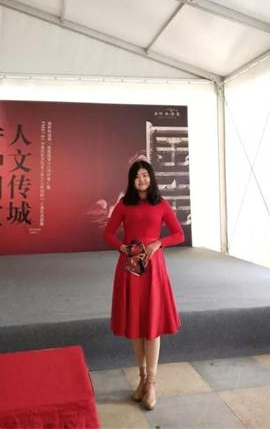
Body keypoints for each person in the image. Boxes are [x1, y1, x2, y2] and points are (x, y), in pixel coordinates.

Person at [103, 160, 185, 410]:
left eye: (145, 175)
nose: (141, 179)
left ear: (151, 178)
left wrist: (158, 243)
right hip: (130, 268)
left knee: (152, 325)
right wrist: (124, 248)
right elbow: (108, 233)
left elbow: (179, 234)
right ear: (132, 180)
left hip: (153, 268)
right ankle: (141, 378)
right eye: (137, 176)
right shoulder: (123, 205)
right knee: (136, 325)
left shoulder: (161, 204)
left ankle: (151, 383)